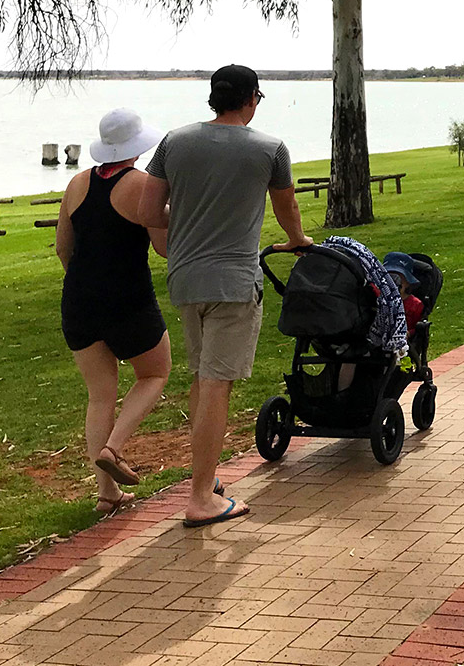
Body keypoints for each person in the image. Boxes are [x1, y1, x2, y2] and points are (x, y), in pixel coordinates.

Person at [138, 64, 311, 528]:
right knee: (218, 384)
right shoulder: (271, 149)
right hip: (233, 283)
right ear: (252, 97)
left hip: (186, 280)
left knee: (201, 378)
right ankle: (200, 498)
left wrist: (192, 218)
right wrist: (298, 240)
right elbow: (286, 207)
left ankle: (207, 479)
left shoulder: (174, 142)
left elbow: (148, 210)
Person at [56, 108, 171, 515]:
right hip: (129, 299)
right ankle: (114, 447)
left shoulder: (75, 183)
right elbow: (163, 246)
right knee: (154, 372)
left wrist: (86, 282)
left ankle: (106, 494)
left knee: (99, 395)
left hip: (78, 302)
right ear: (137, 146)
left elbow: (62, 248)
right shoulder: (141, 185)